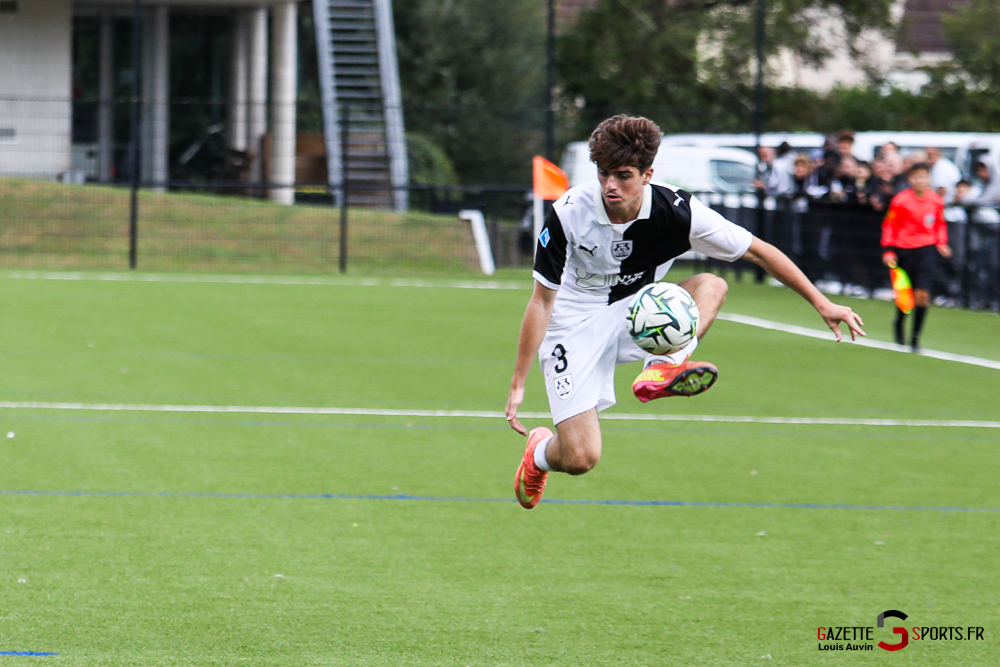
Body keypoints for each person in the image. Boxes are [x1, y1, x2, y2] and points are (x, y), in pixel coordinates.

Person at [506, 115, 865, 509]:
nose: (610, 185)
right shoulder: (569, 213)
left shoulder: (677, 211)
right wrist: (519, 380)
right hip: (571, 326)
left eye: (623, 175)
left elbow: (759, 250)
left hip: (635, 314)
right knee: (580, 458)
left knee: (712, 284)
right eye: (603, 173)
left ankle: (664, 368)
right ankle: (539, 452)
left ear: (647, 174)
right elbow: (541, 301)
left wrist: (821, 302)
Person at [881, 163, 952, 351]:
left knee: (922, 295)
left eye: (924, 176)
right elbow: (890, 225)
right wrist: (888, 250)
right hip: (904, 250)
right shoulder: (900, 200)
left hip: (926, 249)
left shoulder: (936, 200)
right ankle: (899, 322)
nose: (920, 180)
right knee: (905, 294)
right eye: (916, 177)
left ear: (929, 179)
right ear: (910, 179)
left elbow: (940, 224)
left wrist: (941, 242)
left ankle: (915, 337)